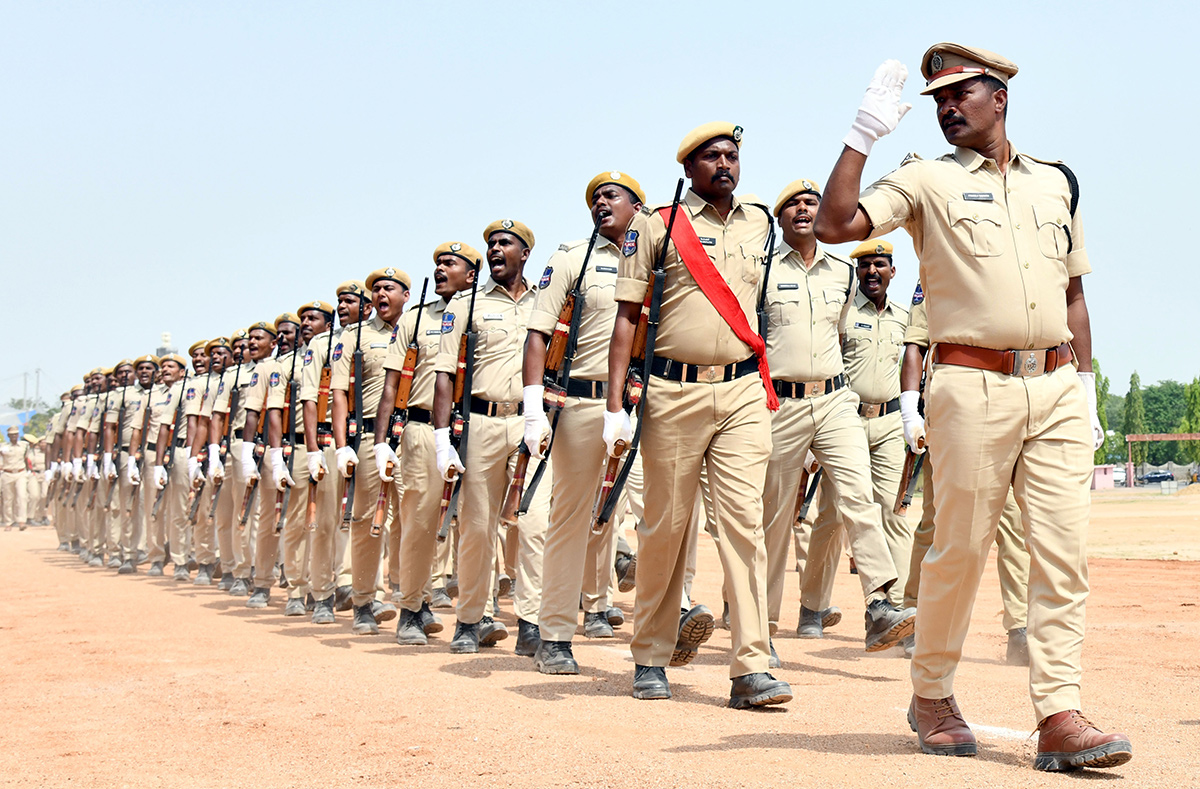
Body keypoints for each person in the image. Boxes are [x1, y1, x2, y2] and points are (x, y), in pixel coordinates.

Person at [815, 43, 1130, 770]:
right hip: (970, 383)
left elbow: (1075, 294)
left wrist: (1085, 384)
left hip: (1054, 384)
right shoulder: (925, 179)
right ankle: (931, 694)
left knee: (1062, 554)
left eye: (961, 93)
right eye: (937, 99)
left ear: (1001, 97)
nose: (947, 106)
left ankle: (1058, 711)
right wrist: (862, 134)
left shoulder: (1056, 182)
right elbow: (834, 226)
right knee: (960, 548)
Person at [604, 122, 791, 708]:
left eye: (732, 155)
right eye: (711, 156)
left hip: (741, 392)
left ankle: (751, 665)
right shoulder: (655, 226)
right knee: (666, 526)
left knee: (744, 526)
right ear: (689, 168)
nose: (725, 164)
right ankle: (651, 654)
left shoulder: (761, 222)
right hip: (673, 391)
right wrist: (615, 407)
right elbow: (628, 319)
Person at [760, 180, 916, 652]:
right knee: (774, 518)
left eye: (812, 203)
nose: (805, 210)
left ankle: (879, 604)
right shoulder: (761, 272)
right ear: (780, 217)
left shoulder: (842, 276)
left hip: (834, 402)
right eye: (794, 205)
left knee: (860, 499)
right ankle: (760, 630)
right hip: (780, 405)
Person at [524, 171, 644, 674]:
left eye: (612, 195)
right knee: (570, 518)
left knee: (660, 513)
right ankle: (553, 633)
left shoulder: (656, 255)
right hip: (582, 404)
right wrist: (533, 408)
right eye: (595, 198)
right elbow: (537, 331)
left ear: (638, 205)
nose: (601, 202)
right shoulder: (572, 257)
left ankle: (669, 623)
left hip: (643, 405)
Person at [433, 219, 546, 656]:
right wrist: (443, 439)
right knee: (477, 527)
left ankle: (531, 621)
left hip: (531, 420)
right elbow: (444, 375)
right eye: (491, 244)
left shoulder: (544, 301)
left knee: (534, 525)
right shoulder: (466, 305)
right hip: (480, 424)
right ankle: (470, 618)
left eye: (505, 243)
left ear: (525, 253)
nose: (495, 249)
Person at [900, 291, 1031, 664]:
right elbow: (916, 344)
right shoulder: (940, 274)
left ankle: (1019, 629)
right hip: (953, 412)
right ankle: (914, 614)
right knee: (938, 521)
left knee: (1012, 524)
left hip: (1007, 408)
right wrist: (911, 409)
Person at [374, 243, 478, 645]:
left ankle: (477, 613)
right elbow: (390, 385)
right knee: (418, 523)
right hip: (420, 430)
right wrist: (384, 442)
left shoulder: (484, 309)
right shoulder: (414, 320)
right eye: (436, 264)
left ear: (471, 274)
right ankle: (412, 608)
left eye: (449, 263)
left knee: (475, 523)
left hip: (474, 425)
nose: (439, 269)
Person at [807, 240, 912, 624]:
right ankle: (813, 608)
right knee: (833, 517)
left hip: (888, 424)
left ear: (892, 271)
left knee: (894, 513)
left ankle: (893, 607)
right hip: (843, 421)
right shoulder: (844, 314)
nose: (872, 271)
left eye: (880, 264)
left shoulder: (904, 316)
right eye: (865, 265)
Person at [332, 268, 410, 634]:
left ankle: (413, 599)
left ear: (405, 295)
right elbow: (338, 393)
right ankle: (363, 600)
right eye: (375, 289)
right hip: (367, 437)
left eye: (388, 288)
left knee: (412, 518)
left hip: (410, 433)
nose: (380, 294)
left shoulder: (418, 327)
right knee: (366, 522)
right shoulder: (355, 336)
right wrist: (341, 445)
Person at [301, 284, 367, 624]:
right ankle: (322, 593)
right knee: (325, 524)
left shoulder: (375, 336)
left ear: (366, 306)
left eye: (350, 301)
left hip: (364, 440)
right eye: (339, 301)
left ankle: (351, 585)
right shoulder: (323, 344)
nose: (342, 306)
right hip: (329, 442)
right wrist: (313, 450)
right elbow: (310, 399)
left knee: (360, 521)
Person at [1, 426, 29, 531]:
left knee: (22, 497)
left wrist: (29, 471)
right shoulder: (3, 447)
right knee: (8, 499)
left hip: (20, 473)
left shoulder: (24, 445)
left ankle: (22, 521)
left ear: (18, 435)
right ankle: (8, 522)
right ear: (8, 436)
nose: (14, 436)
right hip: (7, 473)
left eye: (16, 434)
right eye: (12, 435)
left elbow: (26, 458)